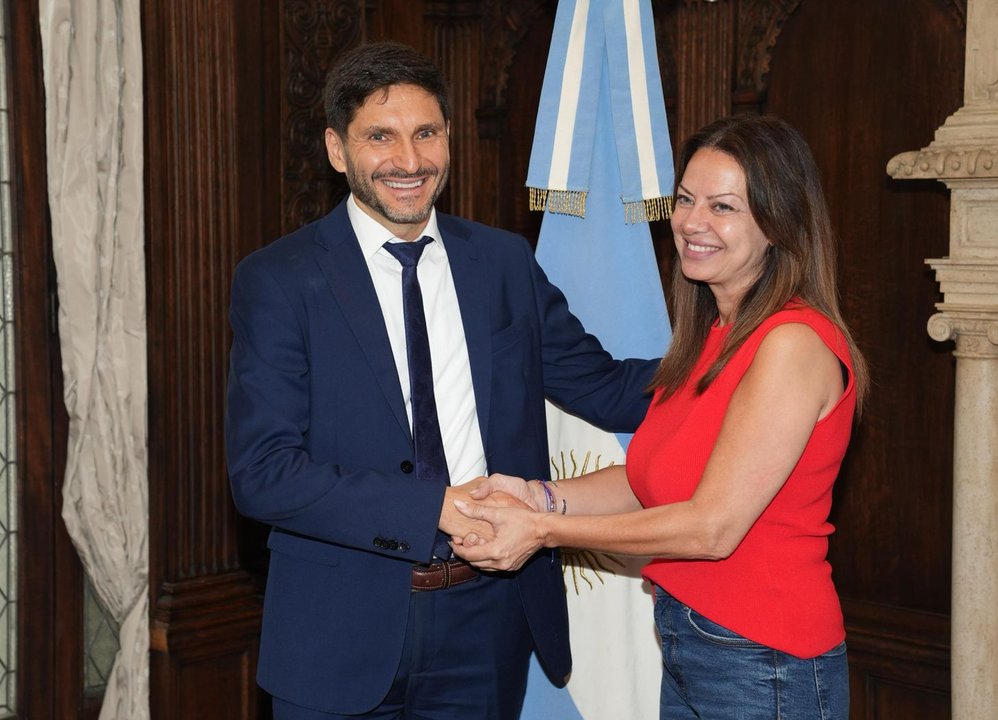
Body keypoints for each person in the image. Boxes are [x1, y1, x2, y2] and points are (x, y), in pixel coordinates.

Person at [224, 41, 658, 720]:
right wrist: (432, 508)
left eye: (426, 133)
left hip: (486, 625)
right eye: (380, 137)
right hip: (336, 634)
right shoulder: (280, 280)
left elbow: (605, 388)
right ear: (337, 149)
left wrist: (742, 357)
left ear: (449, 137)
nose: (409, 161)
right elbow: (263, 473)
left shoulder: (502, 263)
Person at [452, 114, 868, 720]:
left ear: (778, 225)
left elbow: (710, 528)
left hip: (764, 659)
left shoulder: (791, 344)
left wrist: (542, 531)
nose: (693, 223)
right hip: (693, 643)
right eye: (686, 199)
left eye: (723, 207)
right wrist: (540, 496)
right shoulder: (713, 335)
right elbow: (650, 478)